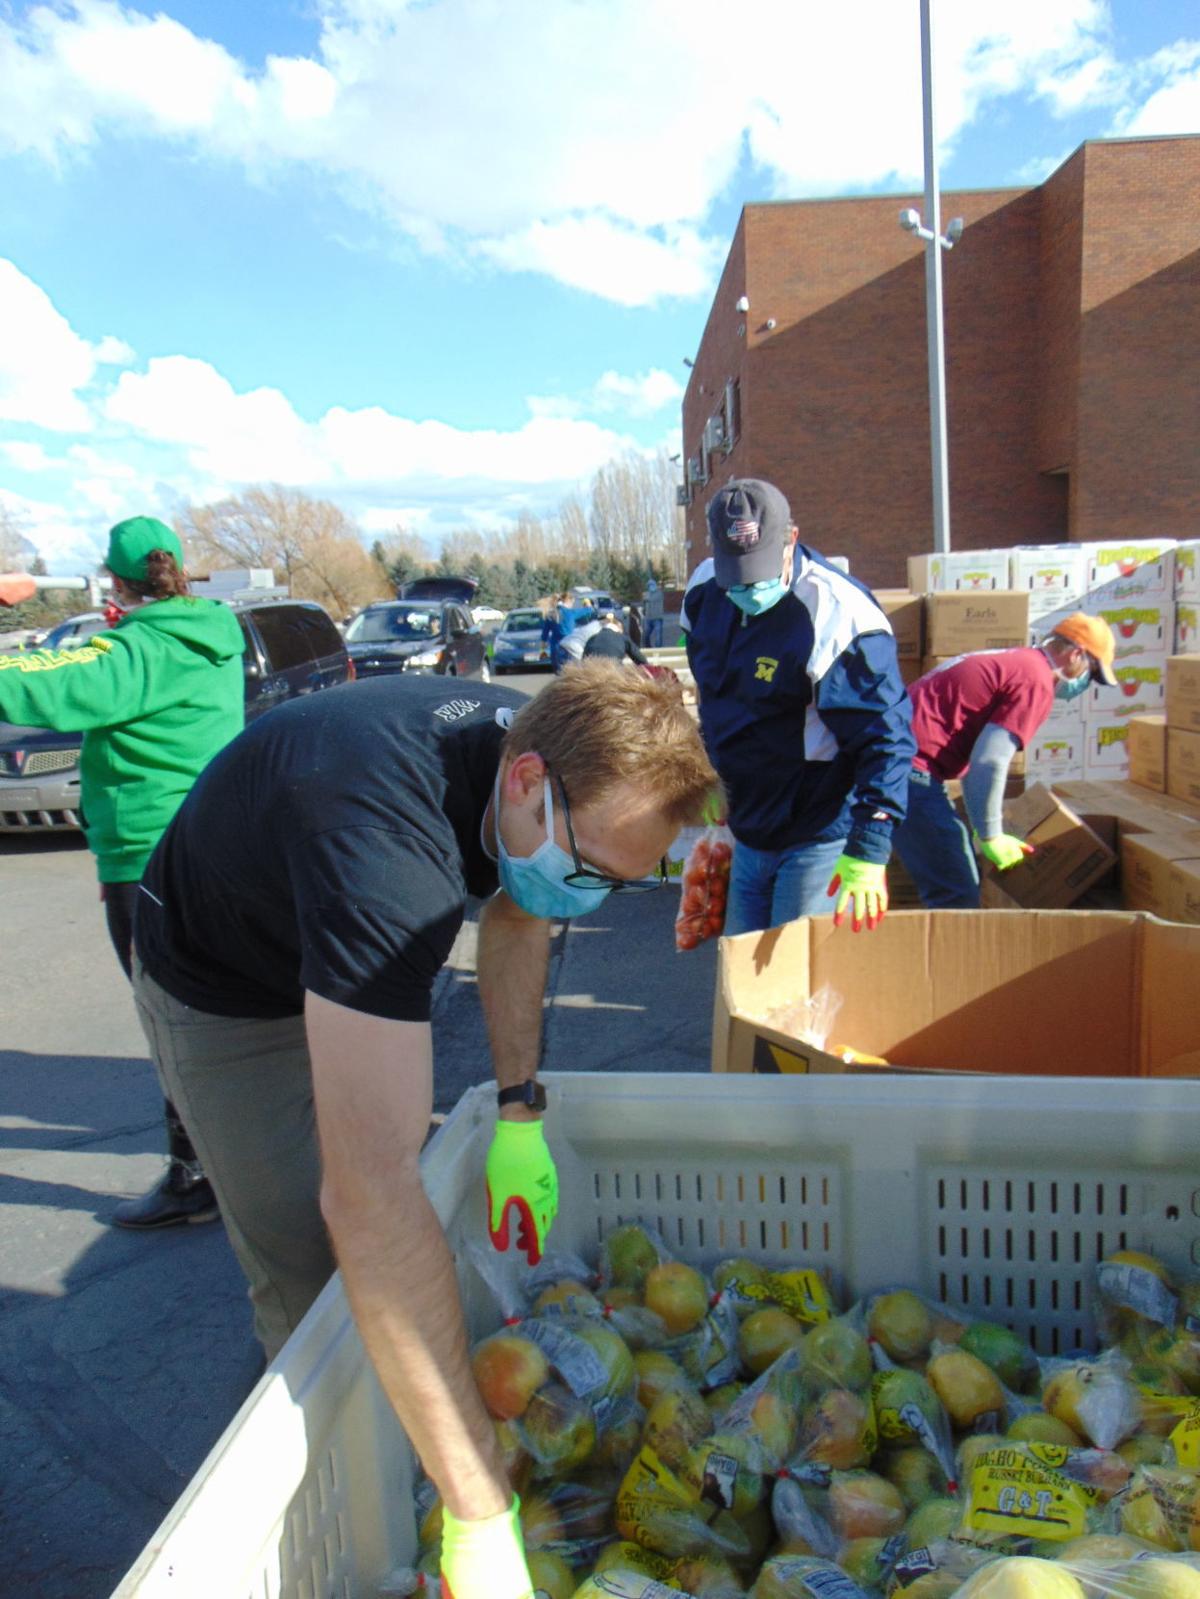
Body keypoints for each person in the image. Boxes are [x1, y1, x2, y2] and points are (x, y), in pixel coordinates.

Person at [128, 664, 716, 1599]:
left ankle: (425, 1438)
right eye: (591, 869)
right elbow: (367, 1195)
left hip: (324, 900)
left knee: (383, 1243)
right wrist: (482, 1508)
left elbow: (522, 910)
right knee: (311, 1258)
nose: (590, 898)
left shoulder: (531, 764)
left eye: (620, 885)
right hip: (225, 979)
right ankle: (349, 1492)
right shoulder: (386, 861)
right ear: (525, 780)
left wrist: (520, 1109)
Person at [0, 515, 245, 1228]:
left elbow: (28, 687)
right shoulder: (212, 631)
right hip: (207, 847)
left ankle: (196, 1173)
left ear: (116, 578)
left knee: (172, 1020)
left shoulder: (137, 651)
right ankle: (239, 1156)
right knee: (223, 1009)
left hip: (145, 859)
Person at [682, 478, 915, 935]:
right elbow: (712, 693)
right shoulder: (704, 592)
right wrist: (708, 773)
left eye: (761, 569)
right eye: (737, 573)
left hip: (816, 829)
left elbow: (886, 738)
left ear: (790, 539)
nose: (748, 586)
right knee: (742, 967)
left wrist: (870, 846)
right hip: (749, 825)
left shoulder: (839, 614)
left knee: (793, 977)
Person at [893, 613, 1118, 909]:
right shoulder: (1036, 681)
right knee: (955, 892)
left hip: (890, 760)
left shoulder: (1019, 661)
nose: (1086, 684)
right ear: (1076, 654)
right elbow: (988, 762)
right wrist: (990, 835)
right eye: (1092, 673)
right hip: (906, 769)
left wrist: (981, 825)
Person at [582, 610, 648, 668]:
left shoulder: (592, 638)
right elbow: (641, 660)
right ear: (619, 627)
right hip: (613, 674)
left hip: (591, 674)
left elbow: (583, 661)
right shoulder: (623, 638)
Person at [642, 577, 664, 647]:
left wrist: (645, 597)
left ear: (655, 585)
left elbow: (650, 599)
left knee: (658, 637)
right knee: (646, 635)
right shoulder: (647, 594)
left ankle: (658, 650)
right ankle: (648, 648)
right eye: (649, 585)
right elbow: (644, 604)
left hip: (657, 618)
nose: (650, 586)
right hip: (648, 618)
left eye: (651, 585)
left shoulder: (659, 593)